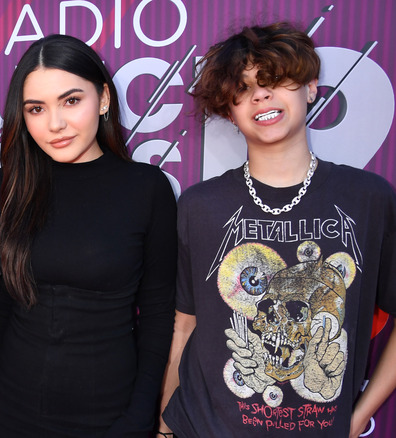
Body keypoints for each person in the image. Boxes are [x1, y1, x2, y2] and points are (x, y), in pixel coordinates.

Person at [158, 22, 396, 438]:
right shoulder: (199, 205)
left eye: (274, 80)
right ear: (229, 110)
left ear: (311, 88)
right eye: (243, 88)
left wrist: (358, 415)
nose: (260, 95)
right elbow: (185, 324)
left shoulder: (368, 198)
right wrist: (164, 426)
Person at [0, 34, 177, 437]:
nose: (55, 124)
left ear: (103, 98)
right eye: (36, 108)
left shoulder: (146, 188)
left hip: (110, 417)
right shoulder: (6, 187)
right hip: (10, 414)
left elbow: (159, 316)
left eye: (71, 101)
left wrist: (140, 417)